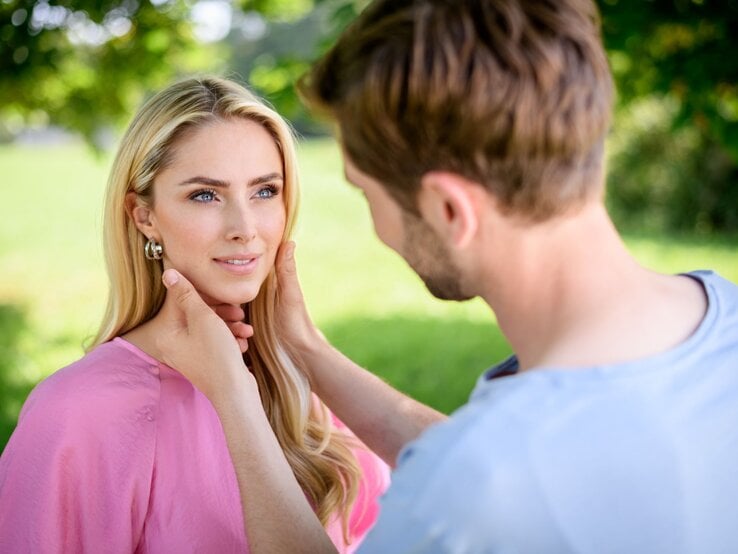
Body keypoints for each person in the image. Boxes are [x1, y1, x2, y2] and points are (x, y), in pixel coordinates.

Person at [153, 0, 738, 552]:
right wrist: (305, 347)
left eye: (366, 193)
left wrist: (234, 397)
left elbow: (481, 474)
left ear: (448, 211)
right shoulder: (720, 321)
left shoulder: (473, 492)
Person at [0, 77, 390, 553]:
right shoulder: (77, 412)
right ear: (144, 216)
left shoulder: (296, 379)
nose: (244, 229)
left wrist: (305, 350)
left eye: (265, 191)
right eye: (206, 195)